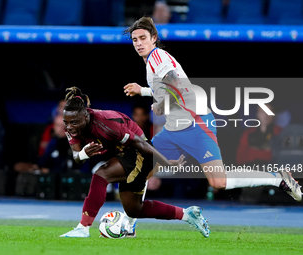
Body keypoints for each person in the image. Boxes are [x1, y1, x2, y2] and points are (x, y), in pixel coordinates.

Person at [123, 16, 302, 202]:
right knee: (143, 169)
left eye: (143, 38)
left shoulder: (157, 56)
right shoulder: (152, 61)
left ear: (153, 37)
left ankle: (277, 178)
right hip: (173, 129)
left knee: (218, 181)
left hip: (196, 124)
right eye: (135, 40)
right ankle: (128, 225)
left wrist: (160, 105)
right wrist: (143, 90)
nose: (138, 43)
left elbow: (175, 83)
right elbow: (167, 87)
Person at [59, 86, 210, 238]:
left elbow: (140, 143)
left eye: (74, 123)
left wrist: (165, 162)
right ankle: (187, 215)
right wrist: (84, 153)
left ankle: (83, 228)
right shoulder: (71, 125)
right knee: (134, 209)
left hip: (140, 151)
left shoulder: (106, 123)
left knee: (101, 174)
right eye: (66, 122)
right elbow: (77, 157)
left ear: (85, 116)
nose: (69, 127)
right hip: (123, 154)